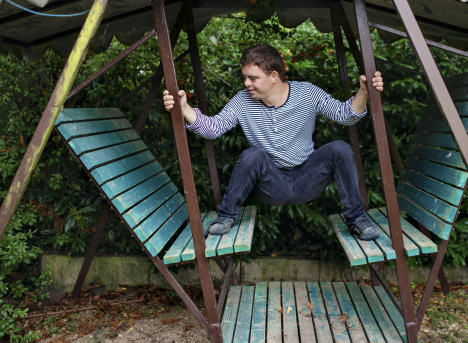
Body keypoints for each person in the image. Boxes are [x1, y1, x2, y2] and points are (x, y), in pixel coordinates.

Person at [162, 44, 383, 240]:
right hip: (271, 183)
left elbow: (345, 115)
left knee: (340, 148)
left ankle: (356, 219)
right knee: (252, 155)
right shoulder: (242, 100)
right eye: (245, 78)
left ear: (274, 76)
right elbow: (213, 129)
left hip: (307, 177)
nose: (247, 83)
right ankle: (226, 216)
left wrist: (364, 93)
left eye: (253, 78)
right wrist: (183, 108)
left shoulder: (307, 93)